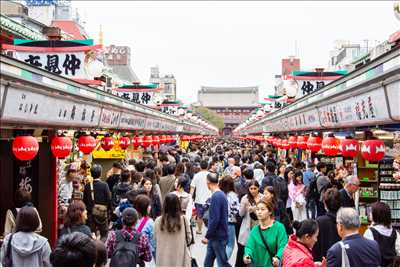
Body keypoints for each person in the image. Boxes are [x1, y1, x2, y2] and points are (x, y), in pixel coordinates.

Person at [243, 197, 288, 267]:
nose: (259, 212)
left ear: (270, 211)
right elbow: (249, 246)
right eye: (257, 209)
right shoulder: (255, 230)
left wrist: (278, 257)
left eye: (262, 209)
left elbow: (283, 246)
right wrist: (247, 255)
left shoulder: (279, 227)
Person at [154, 193, 193, 267]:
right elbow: (189, 239)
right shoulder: (184, 220)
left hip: (163, 259)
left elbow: (155, 239)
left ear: (165, 205)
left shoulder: (158, 220)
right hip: (180, 257)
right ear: (178, 205)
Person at [202, 172, 231, 267]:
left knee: (222, 263)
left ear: (208, 182)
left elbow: (215, 219)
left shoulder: (216, 196)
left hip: (218, 236)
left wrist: (207, 235)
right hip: (216, 235)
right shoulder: (220, 195)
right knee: (208, 262)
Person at [364, 202, 400, 267]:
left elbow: (367, 254)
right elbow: (398, 252)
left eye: (371, 212)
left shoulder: (369, 232)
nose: (369, 214)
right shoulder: (395, 233)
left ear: (377, 214)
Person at [238, 180, 263, 267]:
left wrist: (255, 209)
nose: (252, 190)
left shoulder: (262, 198)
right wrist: (244, 206)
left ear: (258, 188)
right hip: (247, 228)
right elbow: (240, 214)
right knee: (247, 250)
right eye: (251, 188)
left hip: (260, 226)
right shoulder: (245, 198)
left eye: (254, 188)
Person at [83, 164, 111, 241]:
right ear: (100, 173)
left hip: (90, 214)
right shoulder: (104, 185)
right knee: (104, 234)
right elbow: (108, 199)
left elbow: (84, 200)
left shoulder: (87, 186)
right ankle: (101, 249)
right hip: (102, 213)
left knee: (91, 235)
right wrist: (108, 211)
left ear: (91, 174)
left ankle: (92, 250)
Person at [312, 188, 341, 261]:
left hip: (323, 261)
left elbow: (315, 246)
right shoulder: (345, 220)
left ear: (325, 203)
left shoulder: (319, 221)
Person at [219, 175, 240, 260]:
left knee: (223, 244)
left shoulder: (219, 194)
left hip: (220, 221)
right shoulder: (233, 195)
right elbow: (235, 210)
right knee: (230, 244)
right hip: (230, 222)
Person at [190, 159, 211, 235]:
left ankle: (199, 229)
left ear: (200, 167)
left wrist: (190, 197)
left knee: (199, 216)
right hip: (209, 199)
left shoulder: (196, 175)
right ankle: (209, 229)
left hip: (199, 199)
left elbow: (192, 187)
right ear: (207, 166)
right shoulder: (210, 175)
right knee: (210, 215)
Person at [134, 194, 156, 259]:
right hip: (145, 255)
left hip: (132, 255)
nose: (150, 207)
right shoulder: (150, 222)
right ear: (144, 207)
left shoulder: (131, 219)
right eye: (148, 206)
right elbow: (153, 243)